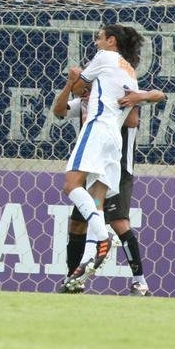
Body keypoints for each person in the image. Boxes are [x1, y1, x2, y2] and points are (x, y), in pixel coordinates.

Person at [52, 23, 145, 289]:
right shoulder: (128, 71)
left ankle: (103, 238)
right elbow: (63, 107)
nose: (96, 42)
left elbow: (81, 85)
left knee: (71, 184)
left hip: (98, 129)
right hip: (112, 139)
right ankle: (80, 272)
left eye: (99, 38)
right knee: (95, 202)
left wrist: (75, 77)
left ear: (111, 41)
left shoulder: (105, 57)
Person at [56, 77, 165, 296]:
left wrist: (137, 98)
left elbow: (154, 100)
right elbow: (59, 111)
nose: (85, 94)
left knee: (119, 223)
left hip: (118, 168)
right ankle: (73, 278)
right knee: (77, 224)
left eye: (88, 89)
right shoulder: (86, 103)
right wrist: (69, 85)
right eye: (83, 90)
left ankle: (139, 282)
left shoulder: (119, 98)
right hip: (91, 168)